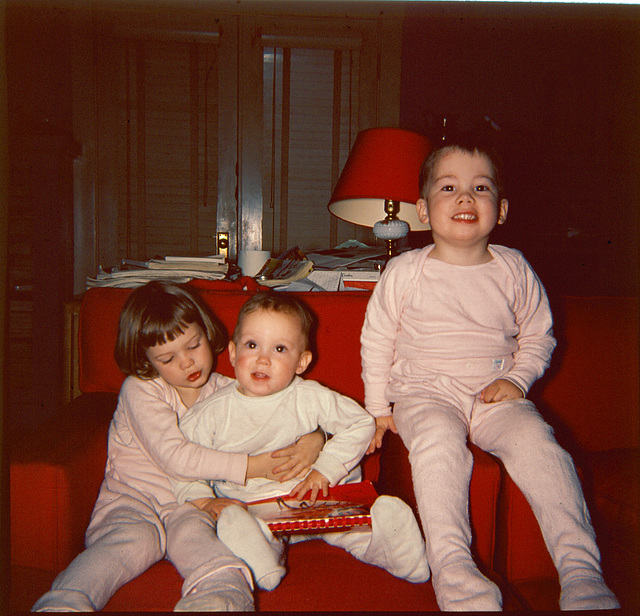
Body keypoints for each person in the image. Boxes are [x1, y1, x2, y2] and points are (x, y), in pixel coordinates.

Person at [360, 137, 620, 611]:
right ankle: (456, 572)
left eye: (480, 188)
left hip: (493, 394)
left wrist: (518, 380)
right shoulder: (404, 270)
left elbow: (540, 335)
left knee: (540, 446)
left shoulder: (514, 267)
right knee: (439, 445)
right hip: (424, 392)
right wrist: (378, 410)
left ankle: (581, 572)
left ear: (500, 210)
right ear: (422, 209)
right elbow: (377, 340)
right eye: (448, 187)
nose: (465, 198)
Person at [32, 281, 325, 612]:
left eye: (194, 345)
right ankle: (63, 603)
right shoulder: (140, 390)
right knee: (135, 539)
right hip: (132, 501)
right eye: (168, 358)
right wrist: (253, 466)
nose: (188, 363)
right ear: (147, 360)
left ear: (207, 332)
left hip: (192, 504)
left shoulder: (230, 391)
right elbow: (176, 457)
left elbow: (288, 411)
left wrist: (315, 438)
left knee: (199, 539)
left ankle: (219, 597)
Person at [172, 292, 430, 591]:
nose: (263, 358)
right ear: (232, 352)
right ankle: (263, 560)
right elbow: (182, 464)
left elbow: (360, 423)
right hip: (252, 508)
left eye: (280, 349)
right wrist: (205, 500)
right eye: (252, 345)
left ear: (301, 361)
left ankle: (395, 550)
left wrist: (325, 469)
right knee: (236, 525)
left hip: (318, 500)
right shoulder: (209, 414)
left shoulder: (309, 396)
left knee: (350, 529)